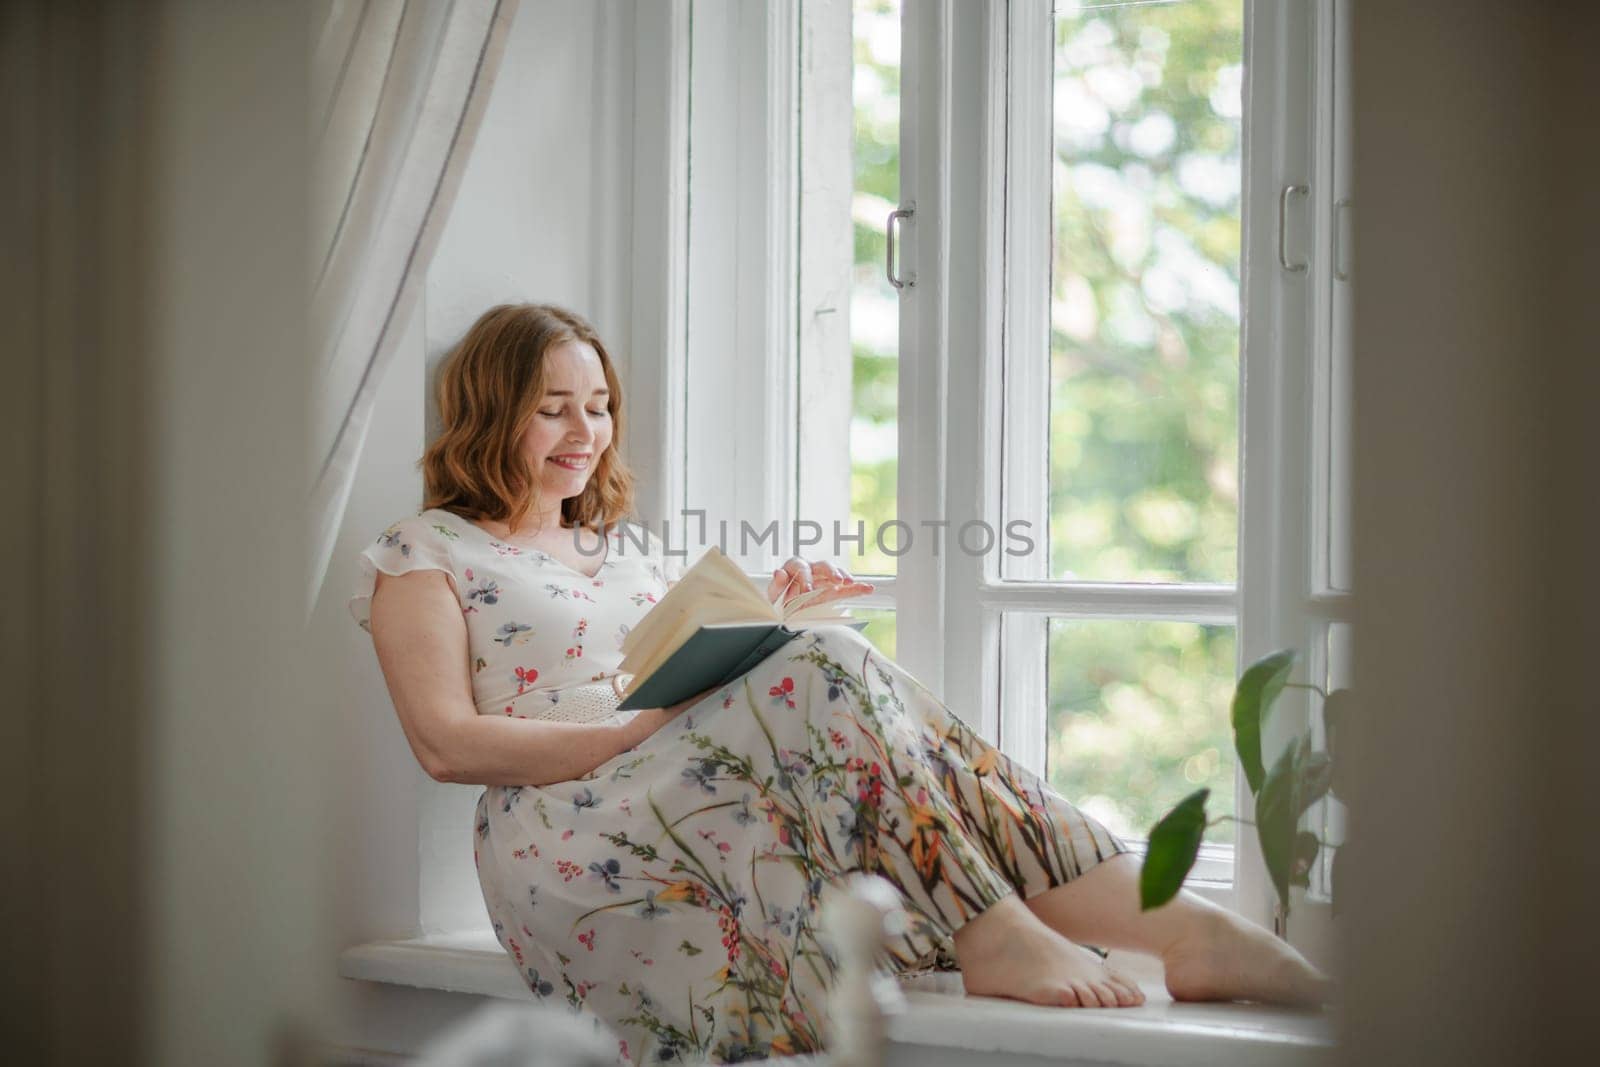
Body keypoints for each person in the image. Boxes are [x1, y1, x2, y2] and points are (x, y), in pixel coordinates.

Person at [350, 302, 1329, 1065]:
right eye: (552, 406)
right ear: (489, 411)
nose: (586, 429)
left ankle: (1187, 928)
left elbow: (662, 677)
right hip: (561, 824)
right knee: (829, 665)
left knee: (831, 652)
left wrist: (767, 622)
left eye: (599, 404)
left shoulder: (626, 552)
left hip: (666, 779)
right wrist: (628, 732)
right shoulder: (422, 549)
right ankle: (1009, 928)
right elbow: (446, 742)